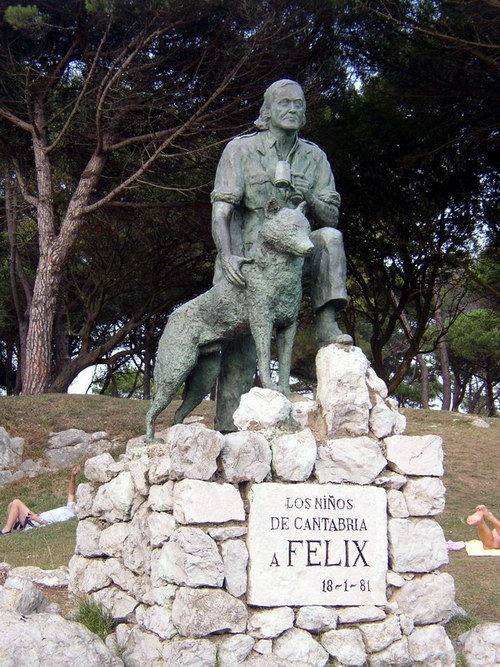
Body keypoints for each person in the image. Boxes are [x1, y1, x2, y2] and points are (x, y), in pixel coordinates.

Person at [211, 78, 352, 431]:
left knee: (330, 238)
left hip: (296, 259)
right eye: (284, 103)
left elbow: (331, 217)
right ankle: (229, 430)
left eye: (299, 104)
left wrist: (311, 195)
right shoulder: (239, 151)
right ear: (268, 111)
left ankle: (325, 323)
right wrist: (227, 256)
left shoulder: (314, 157)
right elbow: (221, 212)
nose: (293, 109)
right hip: (249, 259)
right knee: (241, 353)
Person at [0, 465, 80, 536]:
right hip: (35, 518)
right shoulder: (69, 507)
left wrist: (38, 519)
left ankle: (6, 531)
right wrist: (73, 476)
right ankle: (17, 526)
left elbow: (53, 525)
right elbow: (71, 493)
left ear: (77, 510)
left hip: (36, 522)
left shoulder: (69, 515)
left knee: (16, 502)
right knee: (11, 505)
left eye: (75, 505)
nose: (74, 504)